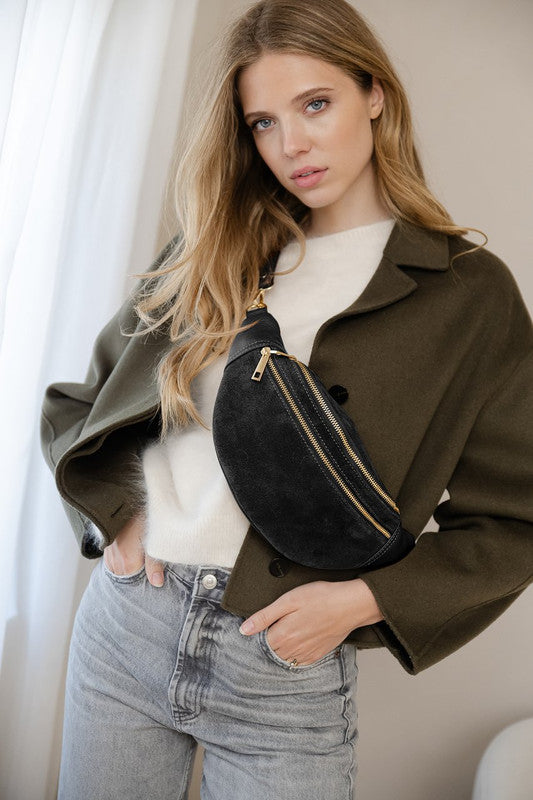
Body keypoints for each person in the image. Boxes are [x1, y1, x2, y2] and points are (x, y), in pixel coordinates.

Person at [40, 0, 533, 798]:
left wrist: (361, 602)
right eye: (262, 122)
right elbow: (82, 402)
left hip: (280, 669)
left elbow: (514, 521)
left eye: (315, 104)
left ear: (373, 94)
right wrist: (118, 519)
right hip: (130, 629)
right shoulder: (217, 248)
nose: (290, 144)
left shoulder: (466, 296)